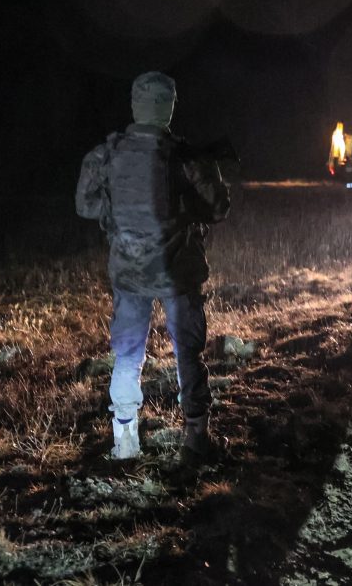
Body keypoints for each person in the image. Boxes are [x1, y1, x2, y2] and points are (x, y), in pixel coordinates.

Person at [75, 72, 231, 461]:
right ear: (169, 107)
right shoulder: (186, 156)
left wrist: (121, 216)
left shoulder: (106, 153)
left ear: (135, 105)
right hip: (177, 273)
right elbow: (217, 209)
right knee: (187, 354)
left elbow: (85, 205)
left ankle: (125, 443)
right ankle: (196, 440)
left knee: (128, 355)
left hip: (129, 273)